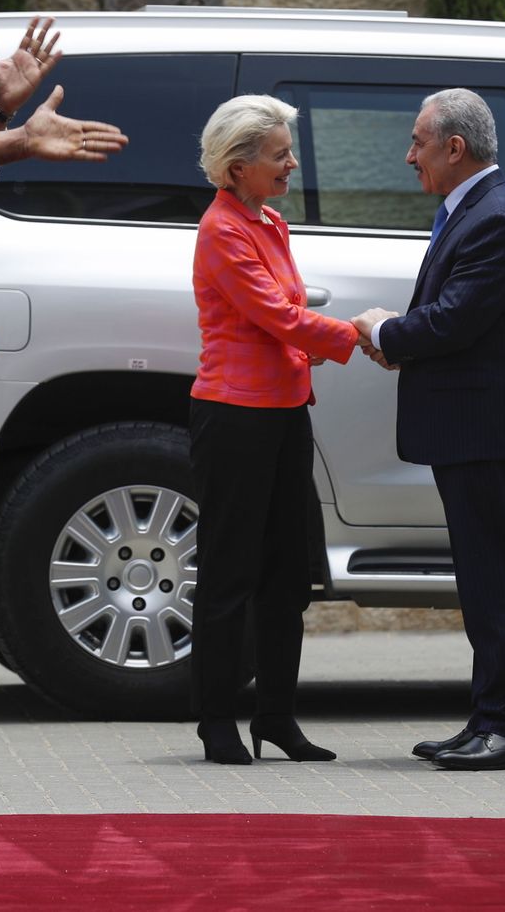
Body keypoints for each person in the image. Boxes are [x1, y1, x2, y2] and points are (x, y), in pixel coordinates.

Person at [352, 87, 505, 772]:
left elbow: (452, 320)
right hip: (472, 428)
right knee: (480, 579)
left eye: (417, 142)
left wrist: (384, 329)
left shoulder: (495, 217)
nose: (409, 156)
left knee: (495, 580)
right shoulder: (474, 210)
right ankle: (488, 719)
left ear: (454, 147)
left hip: (486, 429)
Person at [187, 94, 361, 766]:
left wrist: (314, 342)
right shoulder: (222, 230)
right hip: (234, 418)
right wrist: (355, 336)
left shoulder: (270, 223)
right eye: (280, 154)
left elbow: (284, 318)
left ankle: (277, 716)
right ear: (237, 167)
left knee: (288, 576)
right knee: (231, 574)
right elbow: (279, 317)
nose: (293, 163)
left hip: (286, 415)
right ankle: (217, 722)